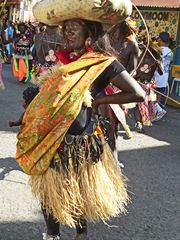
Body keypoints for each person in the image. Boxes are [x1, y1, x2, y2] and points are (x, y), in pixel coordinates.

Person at [16, 1, 145, 240]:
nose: (68, 32)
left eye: (74, 26)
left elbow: (138, 93)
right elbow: (48, 97)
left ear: (91, 31)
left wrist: (97, 102)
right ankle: (52, 235)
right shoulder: (65, 62)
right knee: (49, 192)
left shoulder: (104, 63)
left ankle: (80, 235)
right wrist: (26, 116)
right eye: (66, 27)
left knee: (78, 191)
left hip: (81, 140)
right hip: (52, 137)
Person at [153, 32, 173, 121]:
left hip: (156, 77)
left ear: (160, 39)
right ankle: (156, 112)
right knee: (159, 96)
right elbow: (170, 65)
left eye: (158, 39)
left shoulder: (158, 50)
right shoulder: (171, 52)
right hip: (165, 77)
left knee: (151, 96)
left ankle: (159, 111)